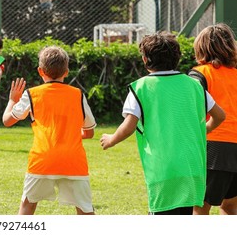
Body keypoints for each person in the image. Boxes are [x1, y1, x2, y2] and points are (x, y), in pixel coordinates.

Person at [100, 32, 226, 215]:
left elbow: (129, 126)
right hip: (192, 169)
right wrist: (204, 129)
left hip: (163, 171)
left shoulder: (141, 87)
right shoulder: (194, 86)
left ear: (145, 59)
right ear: (178, 57)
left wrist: (111, 139)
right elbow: (220, 116)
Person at [2, 46, 97, 215]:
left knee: (27, 207)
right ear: (66, 71)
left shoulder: (32, 94)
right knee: (85, 211)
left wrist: (12, 100)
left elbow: (7, 121)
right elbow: (89, 132)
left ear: (40, 71)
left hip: (42, 160)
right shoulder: (78, 95)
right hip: (73, 161)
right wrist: (72, 136)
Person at [187, 23, 237, 215]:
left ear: (201, 47)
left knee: (199, 208)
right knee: (230, 206)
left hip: (213, 147)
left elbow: (190, 112)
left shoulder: (199, 74)